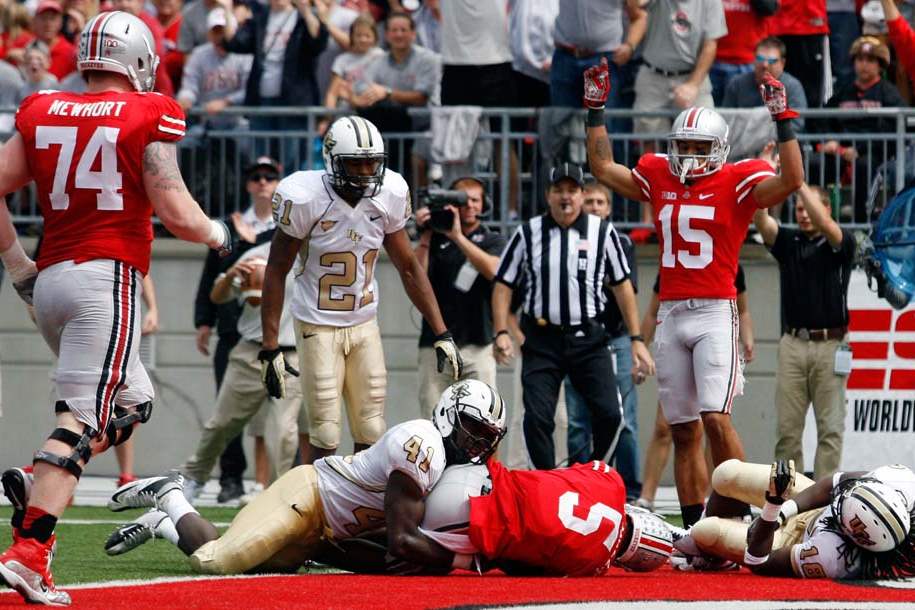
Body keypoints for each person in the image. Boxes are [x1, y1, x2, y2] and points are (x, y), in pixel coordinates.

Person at [0, 11, 232, 605]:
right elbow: (175, 208)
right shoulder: (147, 111)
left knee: (134, 402)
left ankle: (39, 478)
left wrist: (18, 265)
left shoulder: (44, 106)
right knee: (78, 419)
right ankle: (29, 554)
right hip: (105, 282)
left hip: (51, 281)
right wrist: (220, 234)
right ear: (138, 61)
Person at [583, 57, 804, 529]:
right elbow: (601, 165)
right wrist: (595, 109)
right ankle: (697, 527)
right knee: (682, 431)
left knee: (716, 421)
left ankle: (754, 518)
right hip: (671, 314)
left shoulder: (737, 180)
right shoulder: (659, 173)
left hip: (714, 311)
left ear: (720, 149)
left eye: (700, 146)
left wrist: (783, 123)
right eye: (683, 145)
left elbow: (791, 181)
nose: (689, 154)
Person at [103, 380, 507, 575]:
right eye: (472, 427)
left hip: (327, 528)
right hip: (310, 497)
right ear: (449, 413)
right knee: (219, 562)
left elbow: (391, 550)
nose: (476, 443)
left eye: (486, 437)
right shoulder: (423, 443)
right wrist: (463, 561)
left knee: (251, 568)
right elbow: (402, 541)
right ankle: (169, 493)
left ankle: (162, 525)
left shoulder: (451, 464)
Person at [258, 115, 463, 464]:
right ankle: (318, 506)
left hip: (364, 322)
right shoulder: (306, 198)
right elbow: (276, 270)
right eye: (356, 163)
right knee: (324, 429)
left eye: (372, 162)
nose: (366, 171)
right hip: (317, 324)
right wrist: (270, 346)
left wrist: (441, 331)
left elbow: (409, 268)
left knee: (371, 427)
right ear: (333, 160)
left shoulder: (388, 194)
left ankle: (358, 507)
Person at [491, 162, 655, 470]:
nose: (565, 197)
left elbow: (622, 287)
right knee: (537, 418)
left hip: (588, 338)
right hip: (541, 339)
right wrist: (501, 330)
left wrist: (636, 339)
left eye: (572, 190)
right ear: (548, 195)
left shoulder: (603, 233)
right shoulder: (528, 232)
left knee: (610, 415)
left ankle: (593, 474)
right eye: (558, 190)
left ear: (582, 195)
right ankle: (546, 481)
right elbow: (503, 284)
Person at [323, 460, 675, 576]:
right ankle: (317, 551)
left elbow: (559, 473)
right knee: (400, 552)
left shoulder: (610, 480)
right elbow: (524, 567)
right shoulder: (593, 564)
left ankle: (327, 497)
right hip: (478, 522)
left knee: (387, 505)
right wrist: (468, 561)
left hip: (483, 476)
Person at [193, 157, 280, 504]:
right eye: (256, 177)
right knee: (226, 411)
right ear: (248, 184)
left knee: (284, 415)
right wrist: (204, 321)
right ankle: (231, 478)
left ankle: (279, 482)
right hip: (233, 330)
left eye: (269, 177)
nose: (262, 183)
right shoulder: (230, 228)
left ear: (278, 183)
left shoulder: (287, 228)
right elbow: (208, 277)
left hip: (276, 332)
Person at [753, 183, 855, 480]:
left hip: (831, 344)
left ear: (827, 209)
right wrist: (765, 178)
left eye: (809, 207)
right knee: (787, 432)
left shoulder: (842, 242)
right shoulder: (789, 240)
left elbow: (825, 225)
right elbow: (761, 220)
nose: (804, 214)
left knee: (830, 431)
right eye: (798, 209)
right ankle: (787, 500)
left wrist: (796, 183)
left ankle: (823, 504)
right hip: (793, 343)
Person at [635, 267, 755, 511]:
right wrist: (640, 344)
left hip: (712, 327)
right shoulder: (673, 263)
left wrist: (747, 338)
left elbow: (742, 307)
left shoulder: (727, 265)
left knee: (715, 422)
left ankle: (728, 501)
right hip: (674, 329)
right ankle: (648, 496)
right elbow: (651, 310)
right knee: (671, 427)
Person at [675, 459, 915, 579]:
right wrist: (785, 511)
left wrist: (772, 507)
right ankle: (715, 538)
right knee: (726, 474)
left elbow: (759, 563)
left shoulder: (833, 556)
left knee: (705, 532)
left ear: (852, 535)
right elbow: (830, 487)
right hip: (812, 508)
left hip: (793, 541)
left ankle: (716, 557)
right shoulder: (900, 483)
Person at [562, 180, 641, 501]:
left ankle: (629, 491)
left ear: (609, 208)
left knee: (625, 419)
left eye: (600, 202)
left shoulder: (620, 242)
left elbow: (627, 289)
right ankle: (576, 486)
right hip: (578, 339)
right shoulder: (567, 238)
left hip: (616, 338)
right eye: (590, 201)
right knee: (578, 419)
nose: (595, 207)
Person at [413, 177, 506, 417]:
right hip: (436, 346)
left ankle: (489, 459)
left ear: (484, 203)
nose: (470, 206)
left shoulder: (492, 239)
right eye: (462, 200)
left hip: (479, 345)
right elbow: (415, 278)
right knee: (433, 417)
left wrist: (457, 237)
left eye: (475, 200)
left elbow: (494, 271)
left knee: (486, 418)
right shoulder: (434, 239)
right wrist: (424, 236)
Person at [721, 36, 807, 132]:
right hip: (745, 144)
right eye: (760, 58)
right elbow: (727, 120)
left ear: (782, 63)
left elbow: (797, 124)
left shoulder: (792, 86)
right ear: (754, 59)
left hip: (779, 143)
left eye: (772, 61)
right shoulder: (737, 83)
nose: (765, 65)